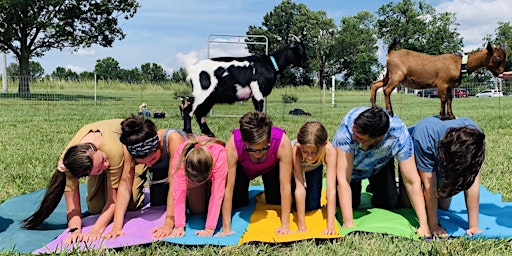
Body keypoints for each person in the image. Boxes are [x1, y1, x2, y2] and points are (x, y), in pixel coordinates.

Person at [21, 119, 147, 245]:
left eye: (103, 160)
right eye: (98, 169)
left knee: (130, 205)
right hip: (98, 160)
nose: (106, 165)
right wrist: (75, 231)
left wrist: (96, 230)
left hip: (127, 153)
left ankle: (130, 173)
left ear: (95, 149)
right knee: (96, 208)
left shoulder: (111, 152)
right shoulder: (69, 164)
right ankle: (99, 173)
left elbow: (113, 200)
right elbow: (73, 209)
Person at [332, 106, 431, 237]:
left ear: (379, 138)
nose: (354, 137)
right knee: (350, 205)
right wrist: (348, 222)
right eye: (354, 133)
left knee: (388, 204)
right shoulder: (347, 131)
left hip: (379, 165)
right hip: (353, 169)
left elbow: (412, 181)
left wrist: (424, 225)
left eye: (360, 138)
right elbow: (344, 180)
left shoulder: (399, 134)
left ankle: (374, 186)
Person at [108, 115, 188, 239]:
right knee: (158, 204)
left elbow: (175, 182)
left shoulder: (173, 140)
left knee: (195, 209)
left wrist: (168, 223)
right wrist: (116, 227)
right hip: (160, 173)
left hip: (190, 173)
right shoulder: (129, 146)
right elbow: (125, 183)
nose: (149, 164)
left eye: (153, 158)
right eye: (143, 163)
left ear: (158, 145)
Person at [406, 116, 485, 236]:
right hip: (417, 150)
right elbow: (429, 186)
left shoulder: (474, 140)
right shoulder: (425, 136)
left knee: (442, 207)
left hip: (444, 158)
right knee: (406, 204)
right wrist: (433, 226)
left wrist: (473, 226)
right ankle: (399, 184)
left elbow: (472, 182)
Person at [218, 111, 293, 236]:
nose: (258, 153)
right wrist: (226, 228)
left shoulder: (282, 142)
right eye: (252, 149)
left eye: (263, 148)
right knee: (238, 203)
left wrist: (285, 226)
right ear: (244, 141)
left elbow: (285, 187)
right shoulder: (233, 146)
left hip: (271, 169)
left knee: (275, 202)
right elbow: (228, 189)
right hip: (243, 170)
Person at [169, 136, 228, 237]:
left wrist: (209, 229)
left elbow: (217, 195)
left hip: (214, 167)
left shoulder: (219, 155)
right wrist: (179, 226)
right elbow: (178, 192)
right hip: (198, 167)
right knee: (198, 211)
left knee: (224, 204)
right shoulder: (180, 157)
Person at [291, 121, 337, 235]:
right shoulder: (296, 150)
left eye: (314, 152)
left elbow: (331, 190)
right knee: (293, 206)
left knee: (312, 206)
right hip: (292, 171)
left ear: (324, 144)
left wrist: (330, 226)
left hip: (314, 168)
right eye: (305, 152)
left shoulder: (330, 151)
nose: (309, 156)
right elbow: (299, 187)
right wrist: (301, 227)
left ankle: (310, 189)